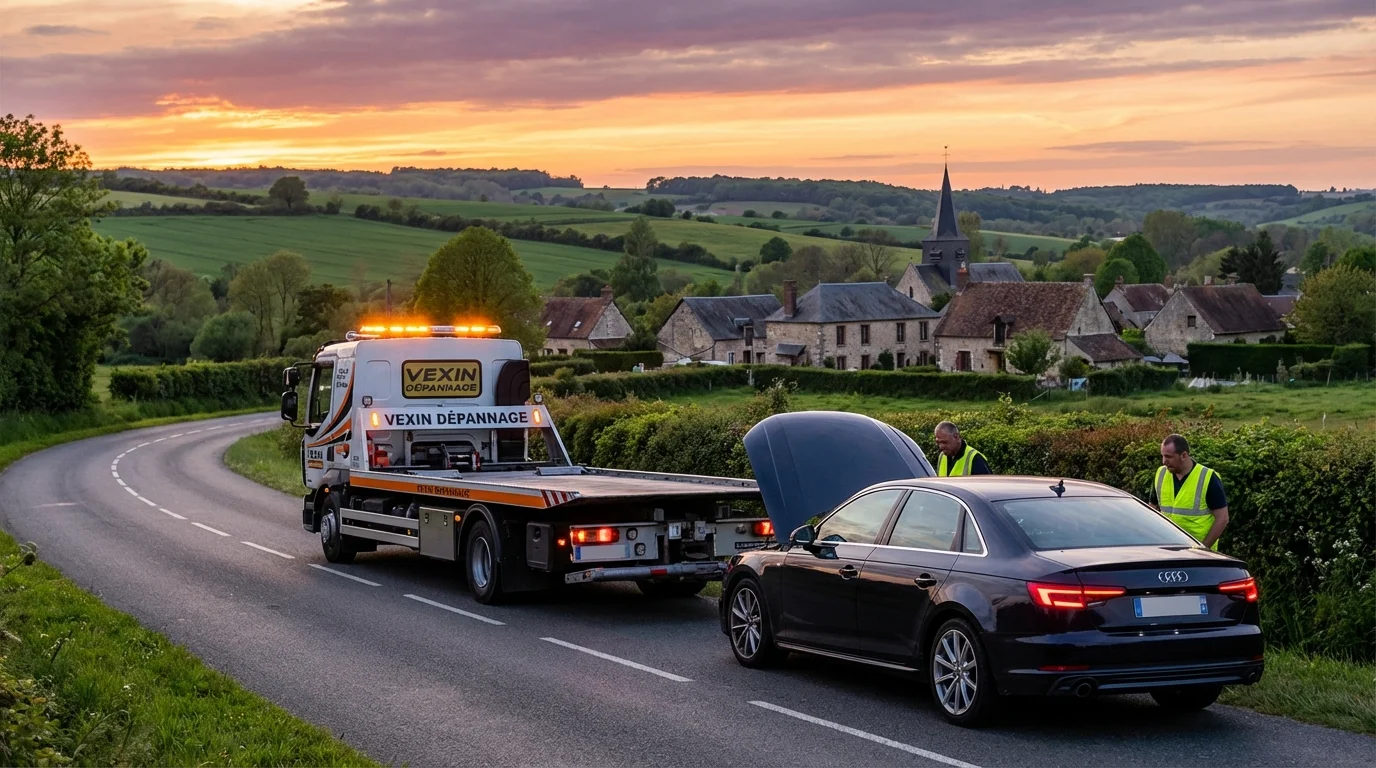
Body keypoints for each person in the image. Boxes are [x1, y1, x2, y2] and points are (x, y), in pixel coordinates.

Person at [1154, 434, 1229, 550]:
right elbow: (1152, 509)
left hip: (1199, 556)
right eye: (1162, 456)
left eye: (1168, 457)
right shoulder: (1161, 474)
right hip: (1167, 550)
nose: (1164, 461)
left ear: (1184, 455)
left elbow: (1222, 518)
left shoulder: (1208, 478)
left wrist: (1203, 549)